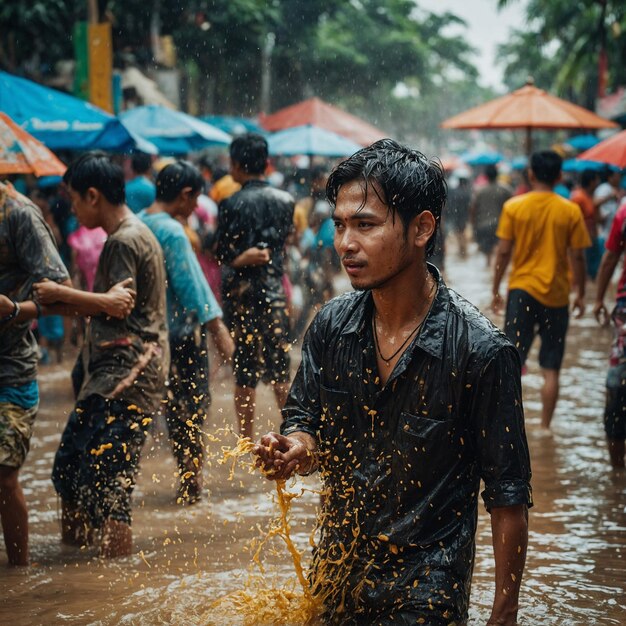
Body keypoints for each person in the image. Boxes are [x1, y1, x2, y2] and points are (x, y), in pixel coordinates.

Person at [255, 139, 532, 625]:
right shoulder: (329, 327)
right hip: (336, 575)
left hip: (427, 589)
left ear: (422, 227)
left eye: (366, 225)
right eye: (339, 225)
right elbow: (305, 421)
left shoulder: (482, 351)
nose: (345, 244)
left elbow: (508, 496)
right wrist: (296, 449)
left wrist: (503, 613)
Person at [34, 152, 169, 558]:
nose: (73, 210)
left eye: (75, 200)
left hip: (129, 373)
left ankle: (109, 577)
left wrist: (61, 295)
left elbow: (118, 304)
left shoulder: (126, 239)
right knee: (72, 472)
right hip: (116, 372)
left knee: (108, 480)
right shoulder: (128, 235)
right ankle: (80, 564)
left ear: (93, 196)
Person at [0, 180, 133, 565]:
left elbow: (63, 295)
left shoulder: (18, 215)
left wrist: (13, 311)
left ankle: (19, 577)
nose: (72, 208)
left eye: (76, 200)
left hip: (13, 368)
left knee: (6, 474)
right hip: (92, 353)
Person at [138, 161, 234, 503]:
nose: (195, 209)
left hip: (146, 339)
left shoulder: (137, 222)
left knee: (152, 414)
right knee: (189, 414)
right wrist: (218, 329)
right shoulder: (173, 231)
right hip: (179, 338)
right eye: (195, 202)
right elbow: (190, 284)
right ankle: (191, 490)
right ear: (185, 195)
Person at [492, 150, 591, 429]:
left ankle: (511, 427)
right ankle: (546, 429)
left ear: (531, 174)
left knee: (512, 363)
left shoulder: (514, 207)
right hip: (557, 296)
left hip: (522, 291)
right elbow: (579, 257)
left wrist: (496, 289)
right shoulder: (570, 210)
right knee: (551, 368)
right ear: (560, 175)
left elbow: (502, 253)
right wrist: (581, 294)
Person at [215, 133, 295, 439]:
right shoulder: (285, 201)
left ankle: (245, 443)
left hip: (241, 296)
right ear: (267, 163)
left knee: (244, 372)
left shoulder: (230, 203)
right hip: (275, 293)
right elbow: (283, 242)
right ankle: (291, 437)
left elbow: (221, 252)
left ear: (236, 164)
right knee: (281, 371)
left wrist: (238, 259)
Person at [592, 195, 626, 468]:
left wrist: (598, 298)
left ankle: (616, 469)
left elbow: (610, 257)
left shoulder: (624, 209)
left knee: (617, 386)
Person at [470, 164, 512, 266]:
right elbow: (512, 208)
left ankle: (489, 267)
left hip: (483, 225)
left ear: (486, 176)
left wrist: (473, 225)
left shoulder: (480, 191)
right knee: (498, 249)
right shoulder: (506, 190)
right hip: (500, 225)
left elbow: (473, 209)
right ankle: (495, 269)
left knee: (487, 252)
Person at [570, 169, 603, 280]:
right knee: (584, 269)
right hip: (583, 239)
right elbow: (573, 220)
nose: (598, 182)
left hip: (592, 237)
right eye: (596, 179)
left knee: (593, 270)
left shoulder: (588, 196)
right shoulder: (578, 197)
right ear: (591, 181)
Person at [446, 174, 471, 258]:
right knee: (463, 233)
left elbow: (450, 204)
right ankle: (464, 250)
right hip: (464, 215)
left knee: (458, 233)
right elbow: (469, 206)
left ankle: (461, 250)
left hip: (456, 215)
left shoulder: (454, 192)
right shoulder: (466, 192)